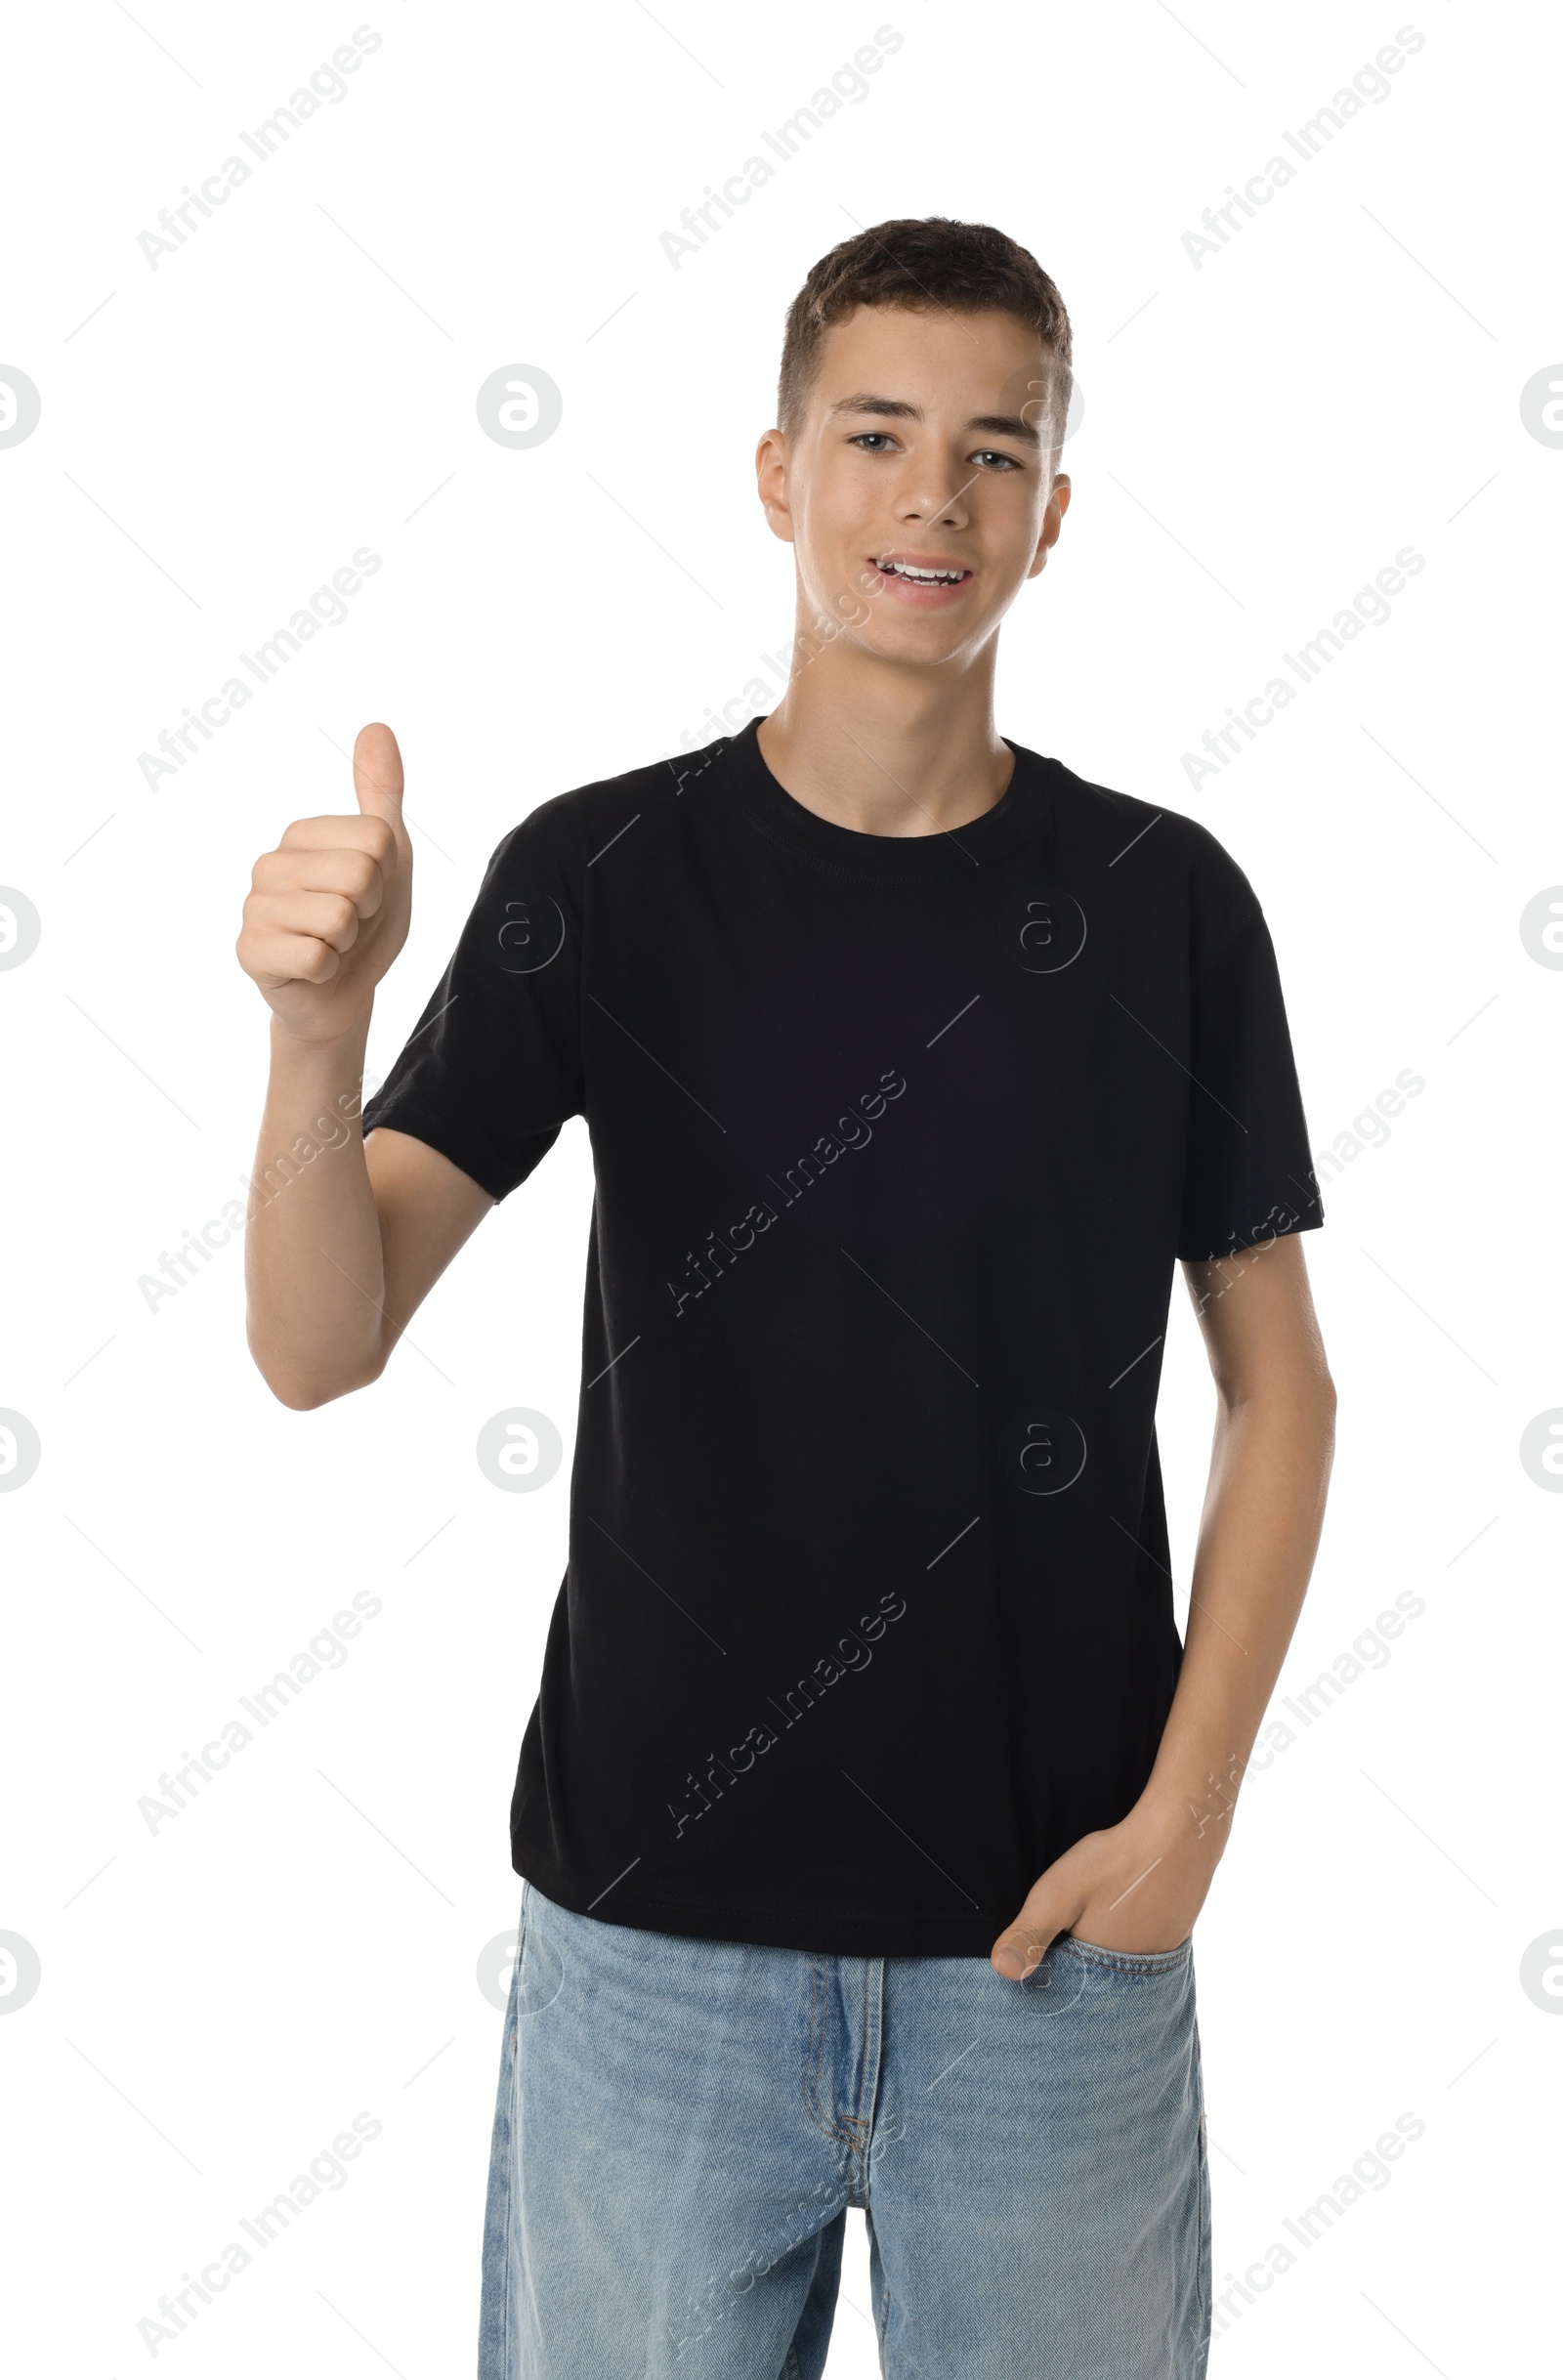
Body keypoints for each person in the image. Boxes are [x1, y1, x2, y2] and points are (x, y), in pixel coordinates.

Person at [236, 217, 1335, 2380]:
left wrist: (1180, 1826)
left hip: (1047, 1947)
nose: (930, 494)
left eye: (990, 449)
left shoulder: (1164, 908)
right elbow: (316, 1337)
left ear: (1049, 513)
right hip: (650, 1947)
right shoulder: (599, 879)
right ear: (774, 474)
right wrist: (314, 1038)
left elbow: (1277, 1394)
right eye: (874, 435)